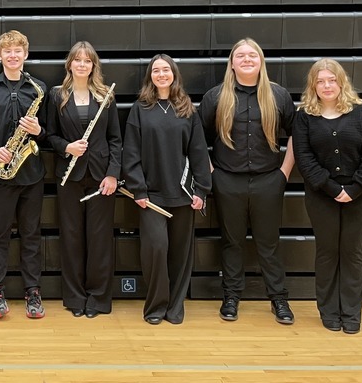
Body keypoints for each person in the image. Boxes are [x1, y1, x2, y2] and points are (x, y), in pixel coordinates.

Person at [199, 38, 296, 325]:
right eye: (240, 55)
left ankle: (278, 299)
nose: (246, 59)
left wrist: (284, 173)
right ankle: (231, 297)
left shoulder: (278, 96)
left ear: (261, 61)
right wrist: (213, 174)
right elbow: (195, 140)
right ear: (232, 63)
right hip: (227, 181)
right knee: (232, 242)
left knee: (269, 243)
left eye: (252, 55)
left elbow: (297, 135)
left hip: (269, 180)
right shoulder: (216, 97)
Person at [292, 59, 362, 334]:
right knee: (328, 252)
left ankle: (351, 313)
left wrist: (354, 189)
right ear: (313, 86)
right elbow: (304, 160)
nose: (326, 85)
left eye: (331, 80)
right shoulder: (304, 116)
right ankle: (329, 311)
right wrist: (332, 189)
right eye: (320, 81)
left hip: (360, 194)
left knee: (352, 253)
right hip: (321, 195)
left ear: (341, 82)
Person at [123, 54, 210, 324]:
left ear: (174, 74)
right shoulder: (140, 109)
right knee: (156, 250)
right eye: (156, 71)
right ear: (150, 76)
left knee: (180, 253)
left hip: (183, 194)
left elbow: (198, 153)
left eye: (166, 70)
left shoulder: (188, 109)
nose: (162, 74)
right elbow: (131, 154)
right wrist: (139, 190)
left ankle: (175, 307)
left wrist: (202, 191)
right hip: (150, 196)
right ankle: (156, 307)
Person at [45, 41, 121, 318]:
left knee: (100, 239)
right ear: (70, 64)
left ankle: (98, 299)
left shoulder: (106, 96)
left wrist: (113, 173)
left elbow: (115, 139)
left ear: (93, 66)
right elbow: (48, 135)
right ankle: (75, 298)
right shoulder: (57, 95)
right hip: (70, 175)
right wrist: (67, 147)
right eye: (77, 60)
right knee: (72, 238)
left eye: (87, 61)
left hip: (101, 176)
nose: (81, 64)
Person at [0, 29, 48, 320]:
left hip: (31, 174)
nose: (12, 55)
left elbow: (51, 134)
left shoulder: (38, 88)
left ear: (25, 54)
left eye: (17, 51)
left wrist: (39, 131)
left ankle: (32, 290)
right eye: (7, 51)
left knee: (31, 235)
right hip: (1, 173)